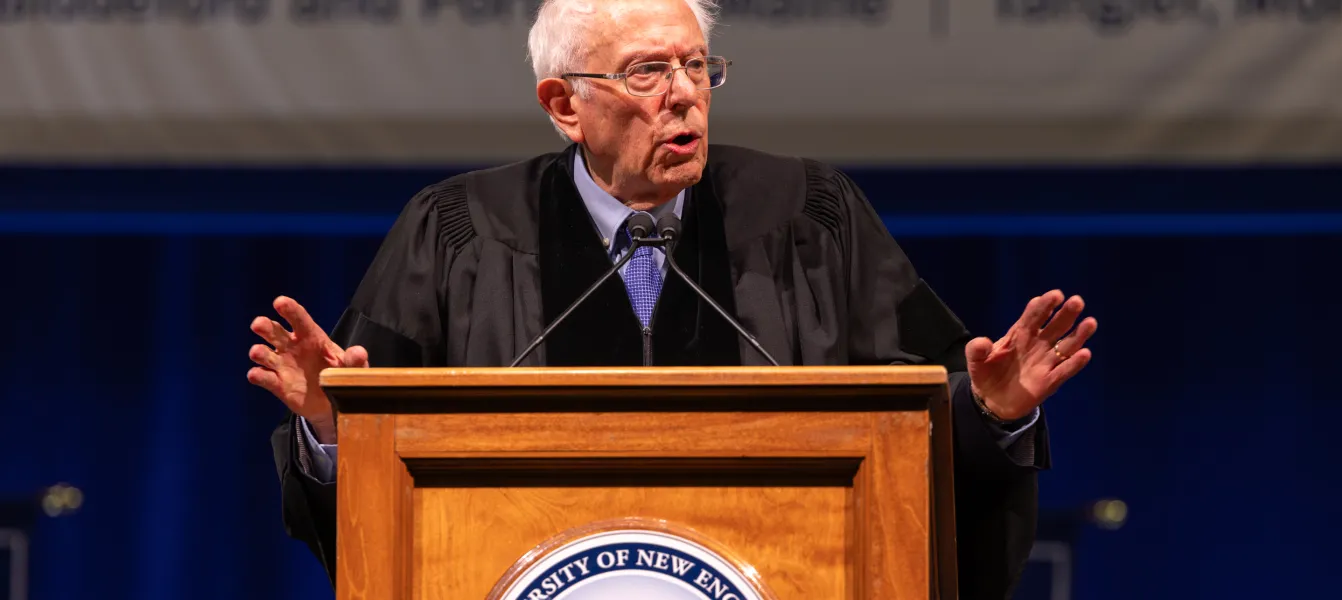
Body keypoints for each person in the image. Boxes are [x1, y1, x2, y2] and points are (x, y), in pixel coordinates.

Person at [247, 0, 1098, 597]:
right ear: (564, 104)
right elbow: (377, 503)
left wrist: (988, 413)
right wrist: (332, 426)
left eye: (696, 66)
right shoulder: (452, 233)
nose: (685, 93)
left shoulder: (811, 215)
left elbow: (910, 436)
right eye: (647, 72)